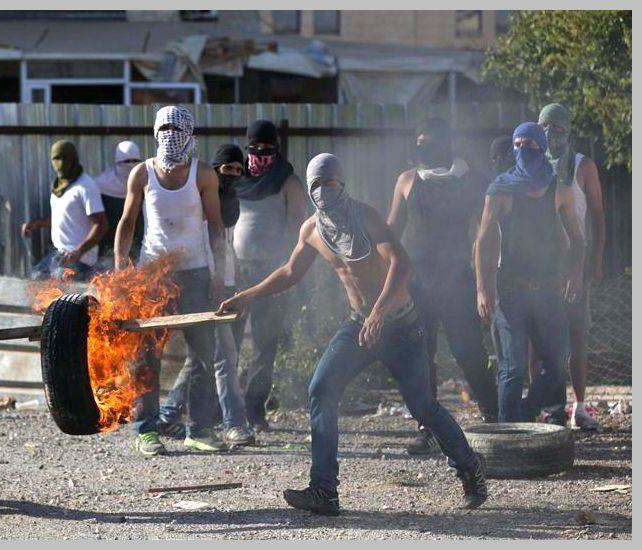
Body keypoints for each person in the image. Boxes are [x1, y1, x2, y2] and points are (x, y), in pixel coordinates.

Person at [218, 153, 488, 515]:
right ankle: (324, 490)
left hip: (400, 325)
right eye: (317, 185)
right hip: (360, 325)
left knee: (423, 406)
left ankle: (469, 468)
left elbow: (401, 264)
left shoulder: (367, 217)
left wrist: (379, 312)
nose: (324, 190)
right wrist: (246, 296)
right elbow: (290, 272)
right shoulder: (311, 231)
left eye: (330, 182)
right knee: (321, 390)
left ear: (342, 183)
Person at [114, 105, 229, 455]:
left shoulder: (203, 174)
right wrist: (121, 269)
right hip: (153, 278)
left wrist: (220, 274)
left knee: (203, 354)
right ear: (154, 132)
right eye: (163, 128)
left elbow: (216, 227)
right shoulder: (142, 173)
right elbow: (127, 222)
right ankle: (146, 430)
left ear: (189, 133)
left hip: (195, 273)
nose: (169, 135)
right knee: (147, 355)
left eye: (176, 129)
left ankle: (200, 429)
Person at [386, 117, 499, 455]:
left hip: (457, 282)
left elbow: (486, 234)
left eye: (430, 142)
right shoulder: (407, 180)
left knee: (469, 351)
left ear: (446, 142)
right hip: (417, 284)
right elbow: (391, 232)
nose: (424, 148)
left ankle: (494, 418)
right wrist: (381, 274)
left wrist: (483, 284)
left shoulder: (470, 179)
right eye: (419, 143)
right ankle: (429, 428)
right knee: (421, 356)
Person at [475, 122, 585, 425]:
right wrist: (482, 288)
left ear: (541, 146)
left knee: (556, 362)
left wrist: (575, 274)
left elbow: (577, 241)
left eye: (529, 144)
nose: (523, 150)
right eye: (518, 144)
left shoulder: (559, 191)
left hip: (548, 290)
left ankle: (523, 415)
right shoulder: (501, 190)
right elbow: (482, 242)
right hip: (511, 290)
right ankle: (507, 434)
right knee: (512, 368)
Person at [157, 143, 255, 447]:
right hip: (207, 287)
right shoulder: (201, 204)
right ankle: (233, 424)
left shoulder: (230, 205)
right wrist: (215, 283)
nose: (233, 175)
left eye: (238, 170)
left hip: (226, 286)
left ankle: (168, 413)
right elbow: (201, 247)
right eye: (227, 169)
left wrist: (236, 279)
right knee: (225, 356)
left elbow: (227, 244)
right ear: (215, 170)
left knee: (200, 358)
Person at [231, 119, 309, 430]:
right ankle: (228, 411)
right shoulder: (237, 178)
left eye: (267, 148)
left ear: (276, 149)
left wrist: (290, 272)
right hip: (236, 271)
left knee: (264, 346)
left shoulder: (287, 182)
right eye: (255, 148)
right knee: (229, 343)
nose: (260, 154)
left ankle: (254, 411)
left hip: (271, 272)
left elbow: (297, 229)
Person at [538, 103, 605, 430]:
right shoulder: (532, 163)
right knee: (538, 337)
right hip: (539, 261)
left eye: (558, 127)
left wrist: (595, 261)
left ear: (568, 130)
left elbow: (597, 215)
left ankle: (578, 406)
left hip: (573, 257)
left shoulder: (583, 165)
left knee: (577, 334)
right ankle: (545, 407)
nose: (551, 133)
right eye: (545, 126)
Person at [21, 141, 109, 282]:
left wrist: (79, 251)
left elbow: (101, 225)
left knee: (61, 291)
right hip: (57, 255)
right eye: (57, 158)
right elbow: (61, 216)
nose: (61, 163)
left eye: (66, 158)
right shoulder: (58, 186)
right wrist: (36, 224)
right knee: (33, 280)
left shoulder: (85, 186)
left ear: (74, 159)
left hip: (80, 261)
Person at [92, 141, 144, 264]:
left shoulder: (146, 181)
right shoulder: (101, 184)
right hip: (109, 245)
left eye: (135, 161)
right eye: (127, 161)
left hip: (138, 243)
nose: (131, 165)